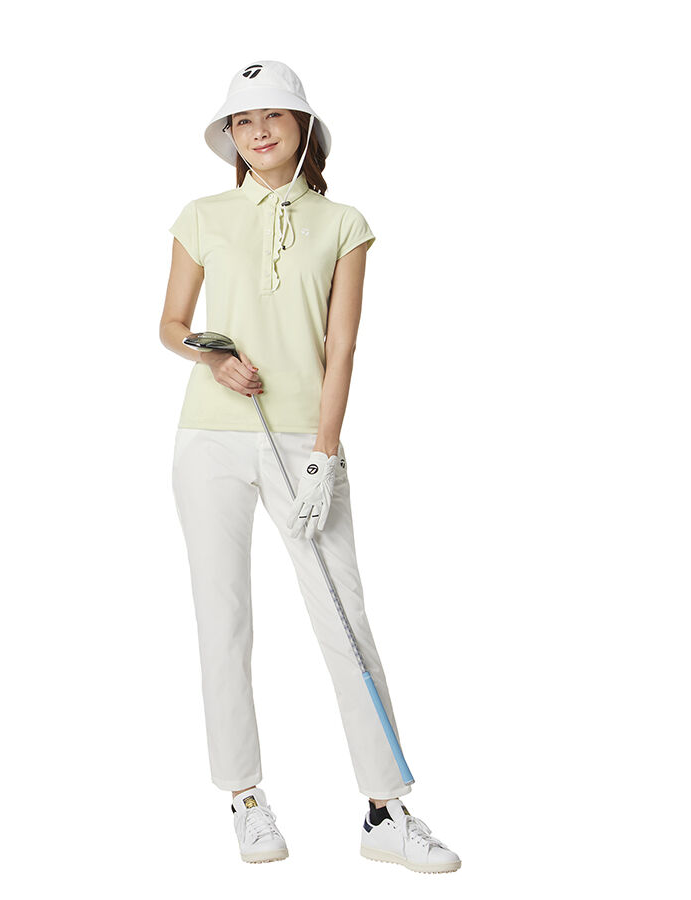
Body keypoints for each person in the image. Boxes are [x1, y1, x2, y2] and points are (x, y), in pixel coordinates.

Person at [159, 60, 461, 875]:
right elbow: (172, 324)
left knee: (344, 619)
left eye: (273, 117)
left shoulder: (344, 224)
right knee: (223, 617)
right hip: (210, 439)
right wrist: (212, 358)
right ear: (230, 136)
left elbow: (342, 345)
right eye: (243, 121)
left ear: (302, 128)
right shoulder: (201, 216)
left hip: (303, 443)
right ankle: (244, 797)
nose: (257, 132)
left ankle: (385, 811)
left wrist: (325, 453)